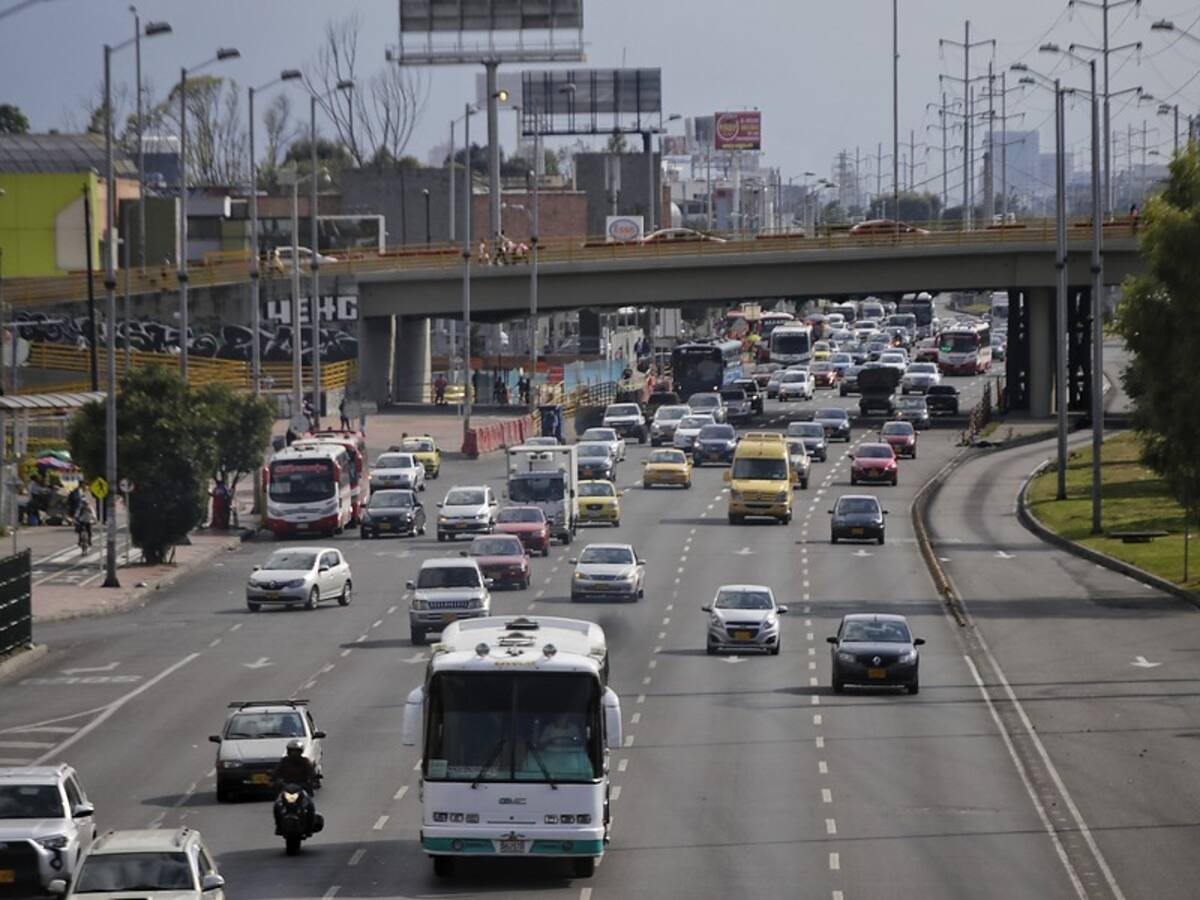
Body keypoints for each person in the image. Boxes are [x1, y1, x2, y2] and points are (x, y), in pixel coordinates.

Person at [272, 740, 318, 834]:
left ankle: (309, 828)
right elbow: (276, 773)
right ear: (289, 751)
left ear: (300, 752)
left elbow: (311, 774)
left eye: (297, 751)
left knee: (310, 806)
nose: (294, 753)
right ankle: (279, 826)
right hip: (287, 788)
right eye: (292, 751)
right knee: (277, 806)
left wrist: (313, 781)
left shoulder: (305, 761)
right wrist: (276, 781)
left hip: (302, 788)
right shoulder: (284, 761)